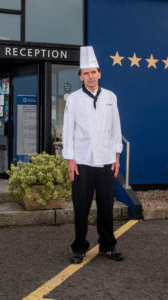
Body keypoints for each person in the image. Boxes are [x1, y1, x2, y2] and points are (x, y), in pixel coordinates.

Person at [62, 46, 123, 264]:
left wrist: (117, 155)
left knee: (106, 206)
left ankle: (107, 246)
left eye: (93, 72)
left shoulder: (110, 97)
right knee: (81, 207)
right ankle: (79, 247)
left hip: (106, 160)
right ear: (80, 76)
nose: (90, 77)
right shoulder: (74, 99)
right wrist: (70, 159)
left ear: (99, 73)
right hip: (82, 161)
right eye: (85, 73)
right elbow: (67, 130)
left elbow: (116, 128)